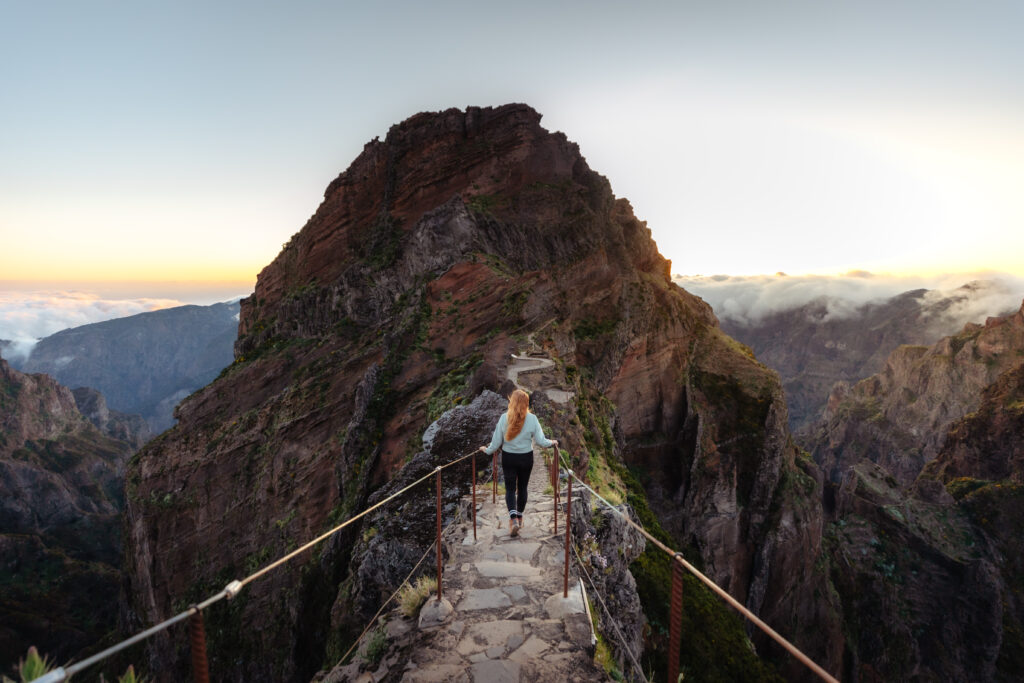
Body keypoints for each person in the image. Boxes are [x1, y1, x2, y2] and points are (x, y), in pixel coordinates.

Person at [480, 389, 558, 537]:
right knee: (522, 488)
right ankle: (520, 516)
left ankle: (513, 519)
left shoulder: (504, 418)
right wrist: (552, 442)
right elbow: (541, 441)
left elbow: (496, 443)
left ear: (512, 402)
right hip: (526, 458)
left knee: (510, 489)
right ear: (526, 403)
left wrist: (486, 450)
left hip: (509, 458)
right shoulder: (533, 419)